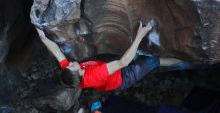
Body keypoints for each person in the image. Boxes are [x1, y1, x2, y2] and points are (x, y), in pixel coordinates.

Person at [36, 21, 184, 91]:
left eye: (67, 65)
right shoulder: (95, 75)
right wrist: (140, 36)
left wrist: (43, 37)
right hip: (124, 78)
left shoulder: (71, 74)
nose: (69, 63)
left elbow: (57, 52)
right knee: (153, 61)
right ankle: (183, 62)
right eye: (71, 66)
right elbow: (123, 63)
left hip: (110, 71)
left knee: (123, 55)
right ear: (79, 72)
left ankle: (138, 55)